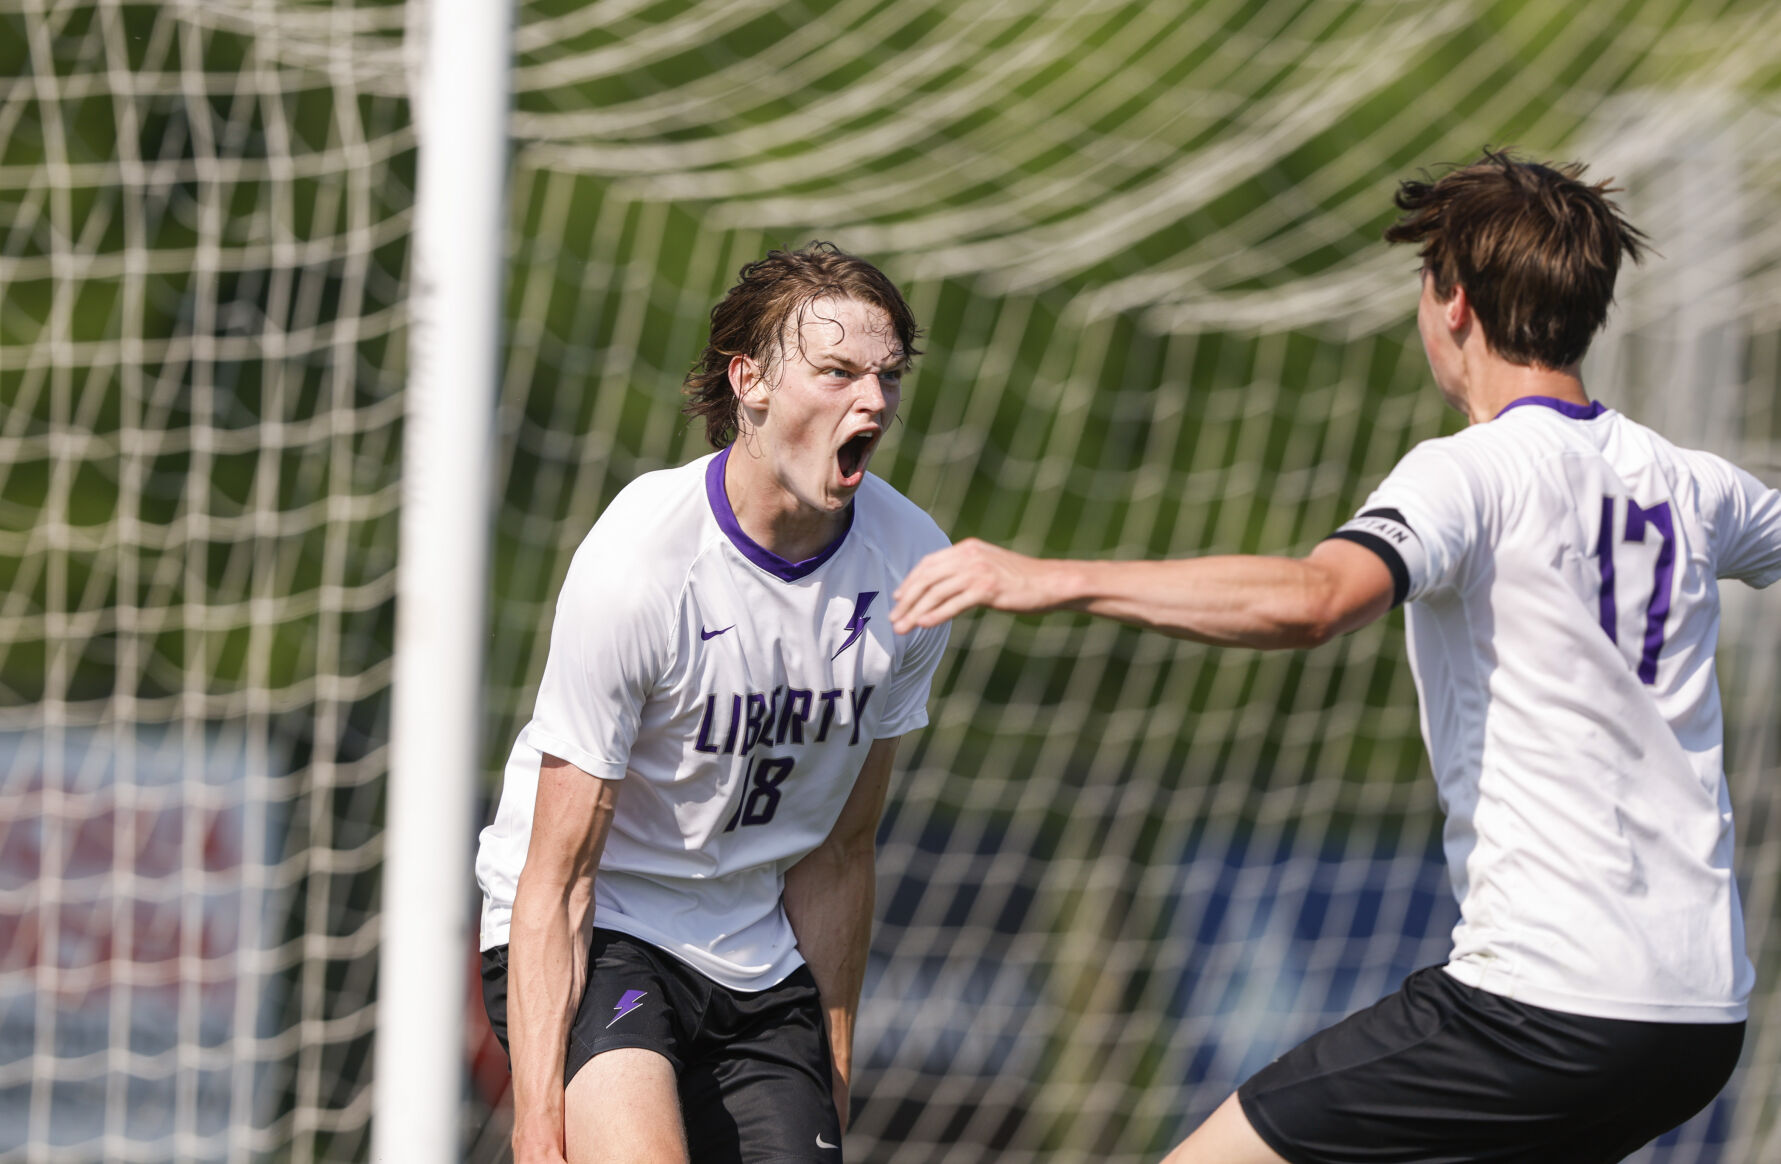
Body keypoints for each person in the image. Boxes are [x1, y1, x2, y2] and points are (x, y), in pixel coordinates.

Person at [889, 151, 1781, 1164]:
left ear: (1452, 304)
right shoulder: (1691, 484)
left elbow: (1314, 601)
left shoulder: (1471, 473)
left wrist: (1051, 577)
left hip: (1543, 1005)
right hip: (1697, 1018)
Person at [475, 242, 951, 1164]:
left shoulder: (909, 570)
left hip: (755, 947)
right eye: (837, 371)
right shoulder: (641, 567)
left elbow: (842, 853)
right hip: (607, 926)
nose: (873, 403)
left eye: (886, 377)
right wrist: (537, 1131)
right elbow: (560, 874)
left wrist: (831, 1078)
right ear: (751, 382)